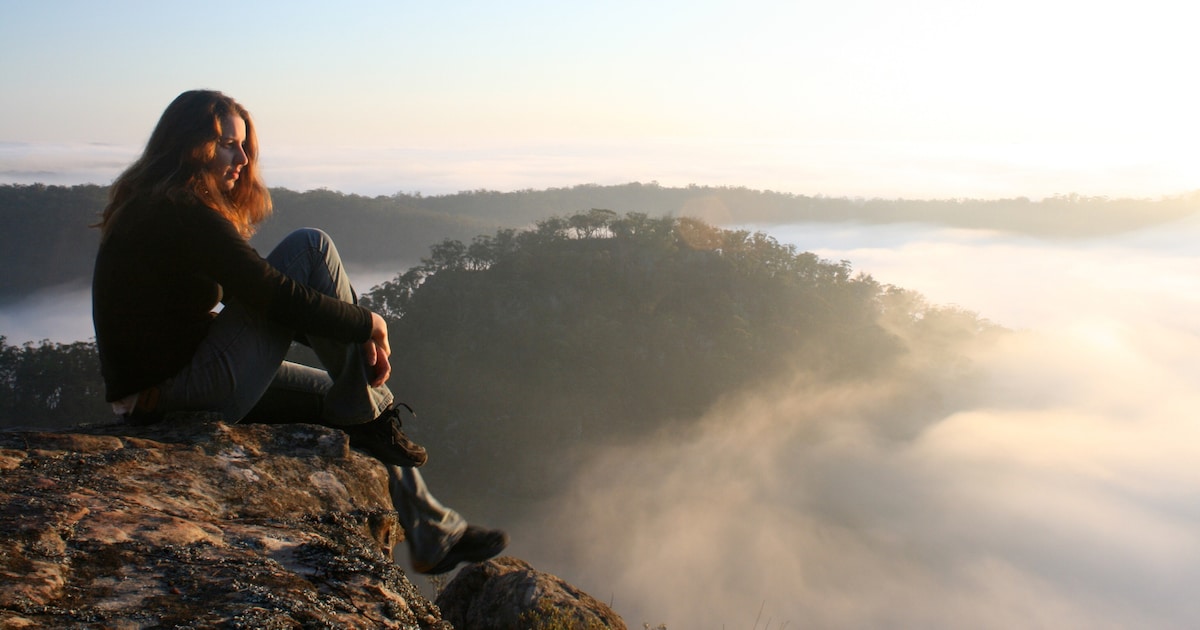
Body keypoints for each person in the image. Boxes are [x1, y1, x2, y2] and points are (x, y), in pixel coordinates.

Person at [91, 89, 506, 574]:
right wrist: (367, 323)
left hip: (173, 386)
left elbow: (260, 305)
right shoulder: (180, 212)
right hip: (174, 394)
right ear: (191, 144)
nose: (242, 159)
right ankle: (374, 426)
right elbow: (271, 295)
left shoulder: (159, 205)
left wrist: (347, 338)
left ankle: (433, 532)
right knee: (311, 248)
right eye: (228, 144)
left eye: (244, 146)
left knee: (350, 399)